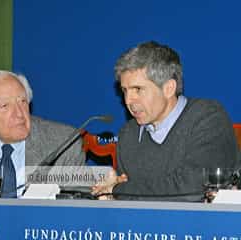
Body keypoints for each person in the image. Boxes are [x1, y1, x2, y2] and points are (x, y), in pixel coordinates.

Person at [92, 41, 239, 202]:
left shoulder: (208, 117)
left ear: (168, 88)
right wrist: (112, 198)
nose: (128, 100)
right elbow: (132, 197)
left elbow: (193, 189)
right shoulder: (129, 134)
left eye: (138, 89)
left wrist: (117, 190)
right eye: (124, 91)